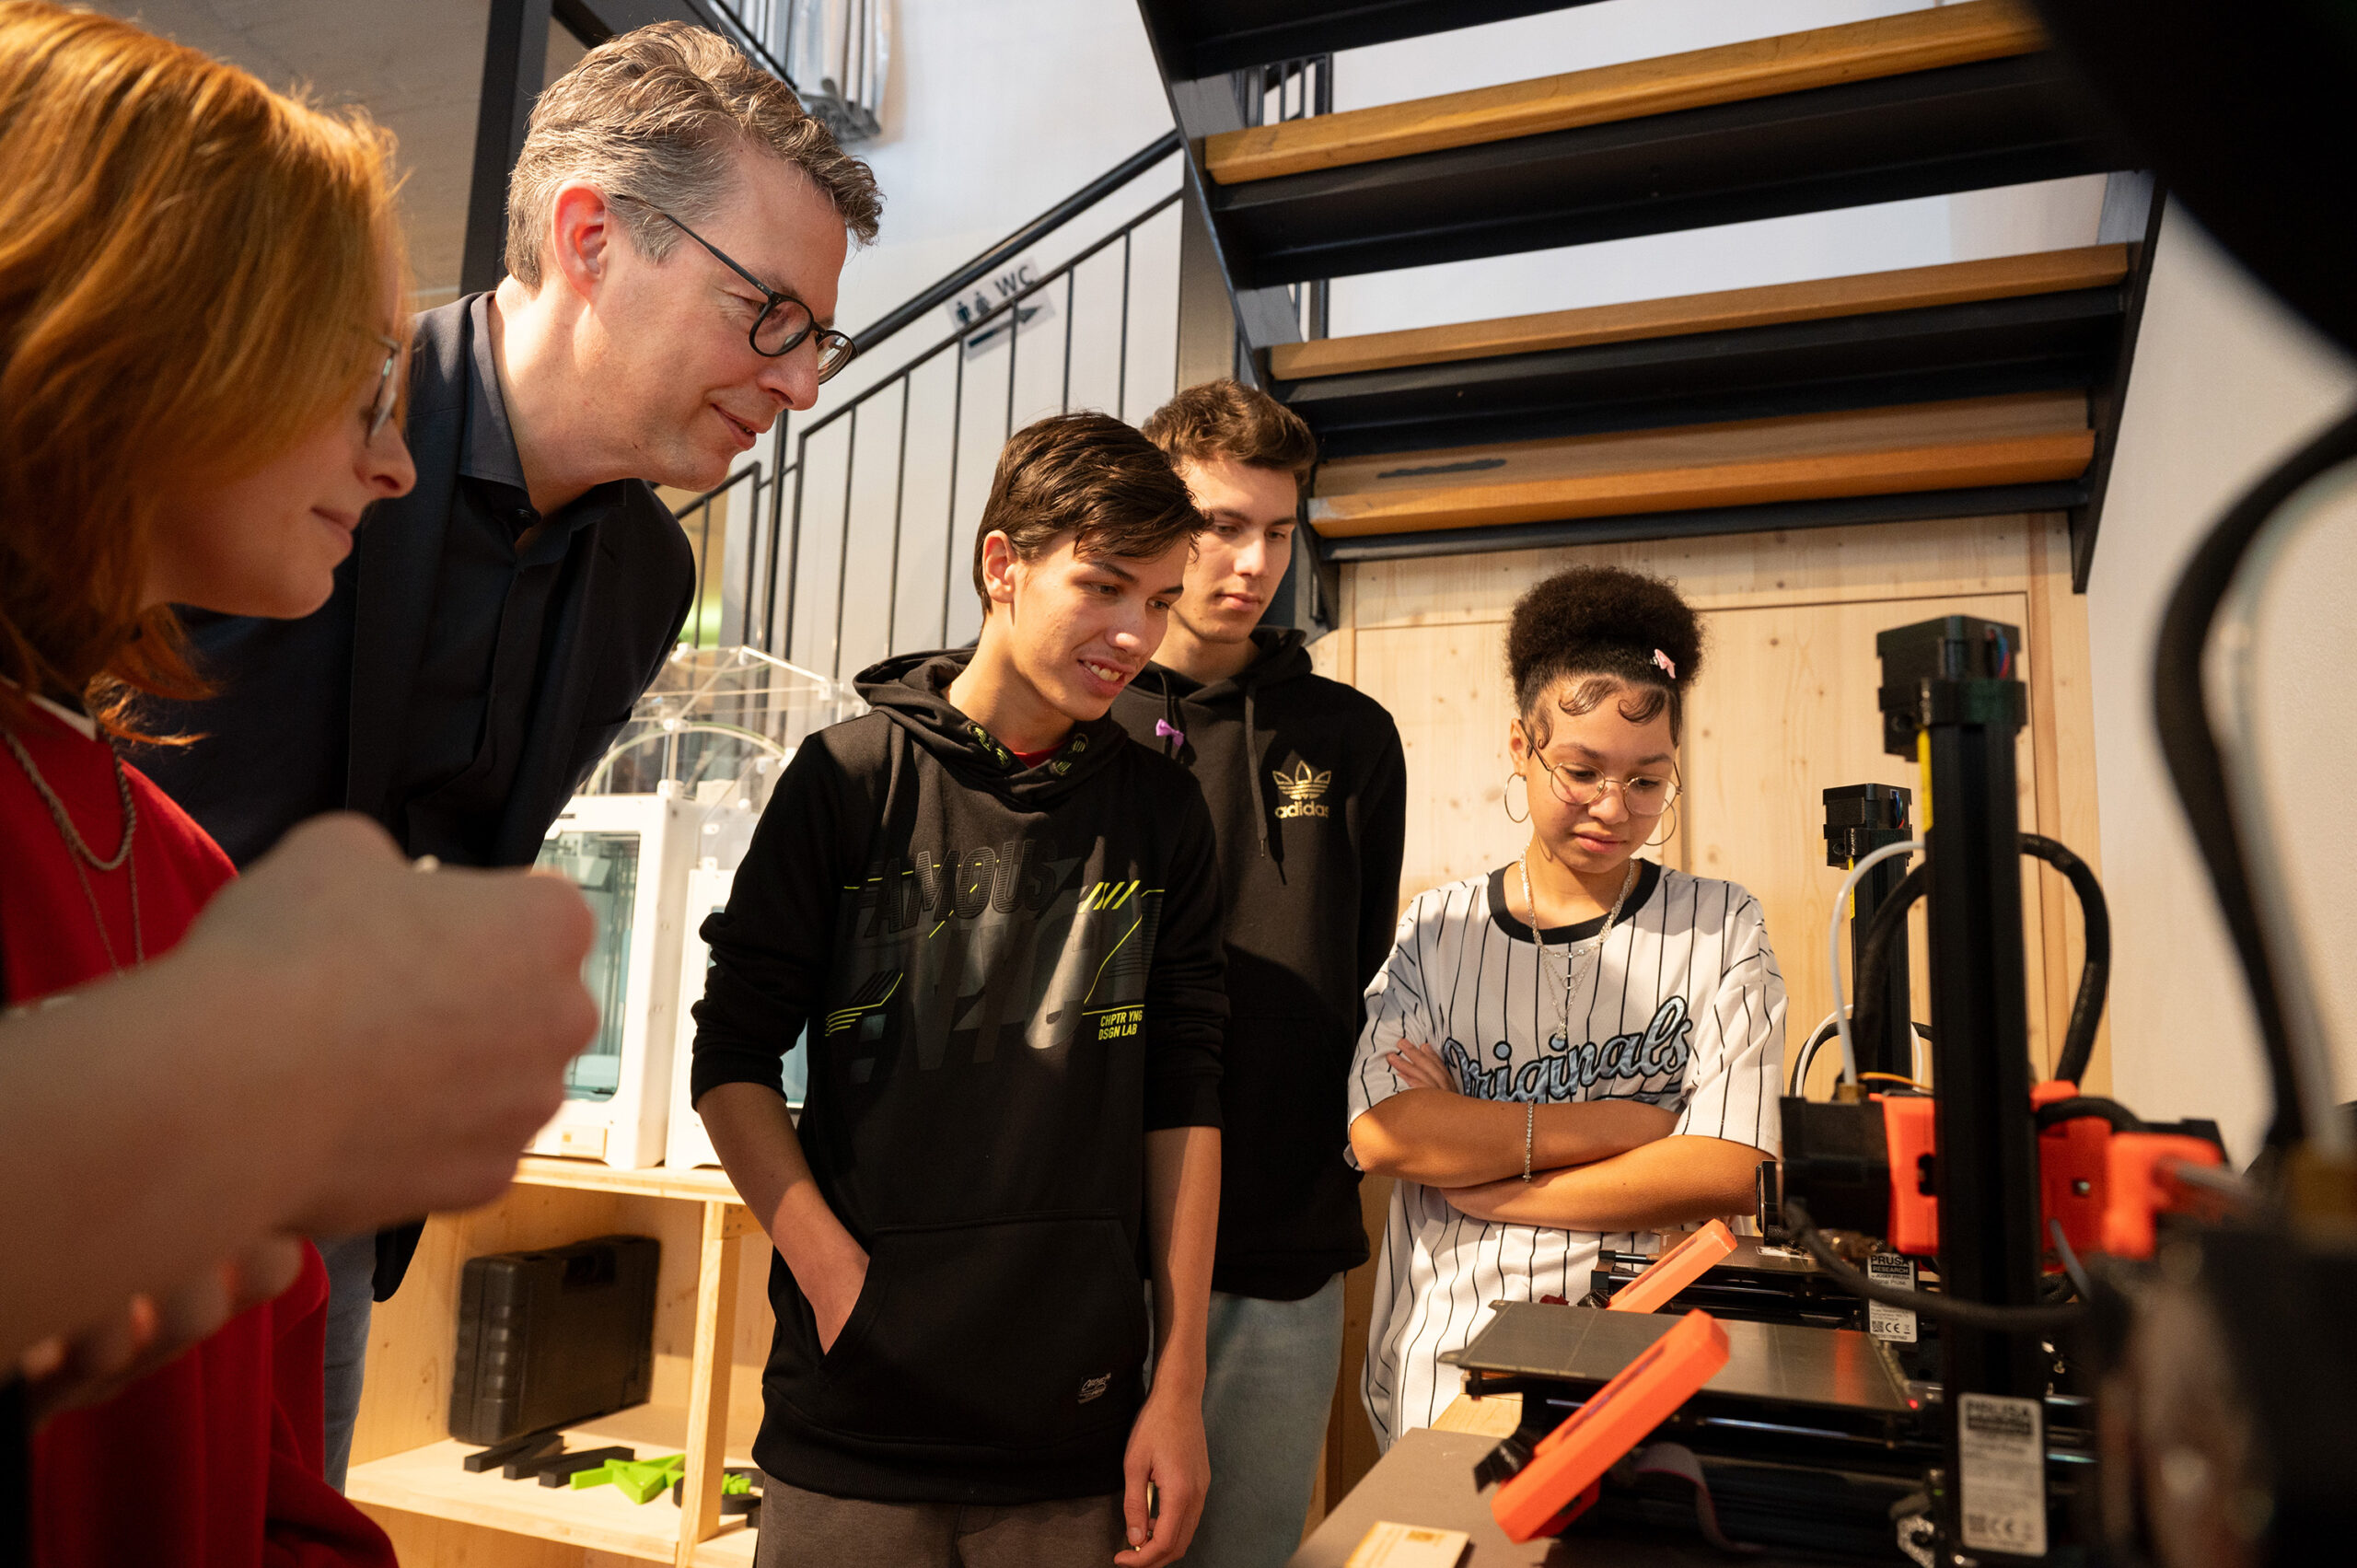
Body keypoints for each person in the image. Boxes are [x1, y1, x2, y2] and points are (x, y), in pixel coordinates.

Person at [128, 19, 884, 1486]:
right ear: (590, 236)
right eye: (769, 315)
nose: (799, 383)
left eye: (820, 335)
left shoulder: (646, 579)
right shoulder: (284, 410)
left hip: (334, 1199)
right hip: (109, 1133)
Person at [0, 4, 593, 1561]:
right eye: (347, 389)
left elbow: (264, 1477)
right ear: (125, 347)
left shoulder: (177, 860)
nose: (390, 465)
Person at [691, 413, 1225, 1568]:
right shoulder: (847, 779)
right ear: (1002, 565)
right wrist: (843, 1287)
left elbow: (1184, 1095)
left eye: (1160, 601)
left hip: (1073, 1425)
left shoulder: (1162, 812)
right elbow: (730, 1058)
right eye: (1103, 586)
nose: (1134, 632)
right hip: (854, 1422)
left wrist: (1174, 1381)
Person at [1345, 565, 1787, 1446]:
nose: (1613, 809)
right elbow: (1387, 1135)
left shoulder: (1723, 924)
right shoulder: (1439, 928)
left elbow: (1736, 1167)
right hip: (1451, 1359)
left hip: (1658, 1354)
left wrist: (1494, 1180)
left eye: (1648, 781)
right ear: (1522, 745)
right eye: (1580, 770)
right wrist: (1637, 1125)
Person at [1110, 381, 1405, 1567]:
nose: (1252, 561)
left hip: (1280, 1234)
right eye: (1221, 524)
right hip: (1091, 1244)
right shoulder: (1086, 714)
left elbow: (1356, 952)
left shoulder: (1349, 735)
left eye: (1278, 531)